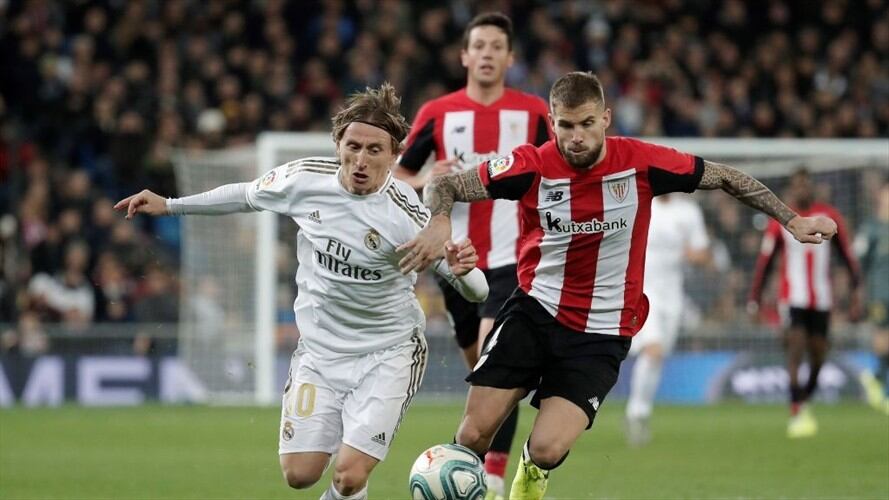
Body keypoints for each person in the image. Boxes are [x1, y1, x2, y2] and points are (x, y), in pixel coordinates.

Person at [397, 72, 838, 500]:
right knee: (473, 433)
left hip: (601, 332)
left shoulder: (641, 162)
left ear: (606, 117)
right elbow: (446, 184)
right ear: (552, 123)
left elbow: (723, 175)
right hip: (533, 313)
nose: (576, 137)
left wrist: (791, 219)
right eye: (566, 126)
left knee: (548, 448)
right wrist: (439, 221)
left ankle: (531, 474)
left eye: (587, 123)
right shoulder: (530, 165)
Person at [114, 84, 489, 500]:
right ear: (338, 144)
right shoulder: (304, 179)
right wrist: (171, 204)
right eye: (353, 146)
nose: (361, 160)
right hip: (319, 353)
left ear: (394, 155)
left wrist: (464, 272)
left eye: (375, 150)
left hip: (388, 353)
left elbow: (475, 292)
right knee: (299, 474)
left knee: (349, 475)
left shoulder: (408, 215)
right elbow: (244, 195)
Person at [394, 12, 551, 498]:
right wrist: (426, 178)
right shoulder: (439, 113)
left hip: (513, 260)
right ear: (464, 56)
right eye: (477, 45)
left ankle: (491, 477)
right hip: (454, 263)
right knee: (486, 377)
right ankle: (486, 467)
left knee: (492, 360)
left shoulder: (532, 115)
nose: (486, 54)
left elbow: (559, 174)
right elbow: (395, 178)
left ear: (509, 57)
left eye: (495, 46)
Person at [748, 168, 862, 438]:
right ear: (791, 190)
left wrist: (856, 288)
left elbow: (846, 254)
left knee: (819, 352)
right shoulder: (780, 221)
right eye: (797, 186)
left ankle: (804, 399)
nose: (802, 190)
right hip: (792, 297)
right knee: (796, 345)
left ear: (811, 187)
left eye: (805, 185)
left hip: (822, 298)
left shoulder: (829, 216)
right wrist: (755, 299)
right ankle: (796, 407)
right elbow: (765, 263)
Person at [625, 194, 710, 447]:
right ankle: (636, 413)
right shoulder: (638, 203)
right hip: (642, 290)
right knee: (654, 350)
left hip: (673, 295)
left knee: (658, 356)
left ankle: (641, 411)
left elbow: (702, 254)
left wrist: (690, 254)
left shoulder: (688, 212)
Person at [854, 181, 889, 415]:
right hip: (879, 293)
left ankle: (875, 377)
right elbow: (858, 260)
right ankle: (882, 387)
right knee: (883, 337)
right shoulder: (871, 228)